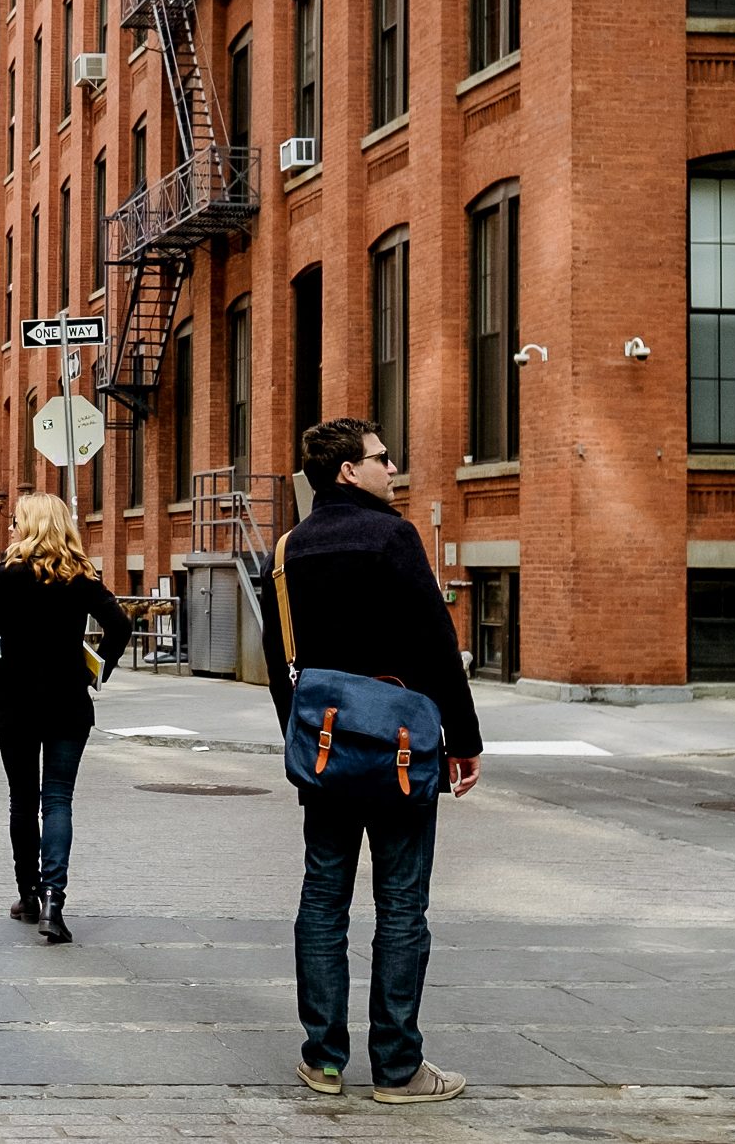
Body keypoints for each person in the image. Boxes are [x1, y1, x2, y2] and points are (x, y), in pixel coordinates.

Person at [262, 418, 484, 1106]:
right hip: (401, 754)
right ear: (348, 471)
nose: (395, 469)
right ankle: (397, 1070)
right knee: (402, 907)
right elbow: (435, 643)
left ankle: (323, 1061)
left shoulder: (290, 546)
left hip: (325, 748)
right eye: (383, 459)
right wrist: (464, 740)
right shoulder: (393, 536)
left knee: (323, 900)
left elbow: (280, 659)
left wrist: (299, 739)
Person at [0, 492, 132, 945]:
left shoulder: (2, 577)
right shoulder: (80, 577)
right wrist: (97, 668)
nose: (11, 528)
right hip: (68, 703)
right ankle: (54, 902)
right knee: (58, 800)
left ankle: (29, 894)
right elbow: (120, 625)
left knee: (22, 800)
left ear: (30, 525)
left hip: (16, 704)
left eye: (16, 521)